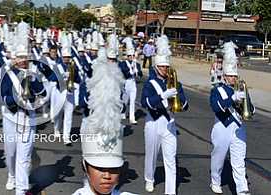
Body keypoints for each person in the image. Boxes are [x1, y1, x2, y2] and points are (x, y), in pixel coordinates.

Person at [73, 45, 136, 195]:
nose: (107, 176)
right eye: (101, 168)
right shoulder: (87, 83)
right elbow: (82, 103)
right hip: (90, 121)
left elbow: (119, 105)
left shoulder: (113, 84)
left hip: (111, 122)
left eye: (113, 169)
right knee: (90, 150)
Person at [0, 21, 47, 195]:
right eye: (19, 58)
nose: (22, 61)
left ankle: (21, 190)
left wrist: (34, 82)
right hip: (11, 117)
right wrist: (17, 99)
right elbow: (4, 96)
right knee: (11, 153)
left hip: (28, 117)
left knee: (24, 157)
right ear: (15, 58)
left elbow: (43, 94)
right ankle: (11, 175)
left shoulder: (33, 72)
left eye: (24, 58)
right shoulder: (7, 73)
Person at [141, 35, 189, 195]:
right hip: (153, 122)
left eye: (166, 67)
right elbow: (145, 103)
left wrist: (179, 100)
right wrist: (163, 96)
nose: (165, 70)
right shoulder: (150, 83)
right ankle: (149, 178)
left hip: (170, 123)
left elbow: (185, 104)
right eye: (161, 67)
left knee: (171, 158)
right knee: (152, 155)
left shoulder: (176, 82)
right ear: (156, 67)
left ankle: (170, 191)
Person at [209, 41, 253, 195]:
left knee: (239, 160)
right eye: (230, 76)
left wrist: (247, 102)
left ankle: (242, 189)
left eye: (235, 76)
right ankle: (215, 180)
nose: (233, 79)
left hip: (238, 128)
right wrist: (233, 98)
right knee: (218, 157)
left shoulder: (240, 89)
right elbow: (216, 107)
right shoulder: (217, 90)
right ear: (225, 76)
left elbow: (250, 109)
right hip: (222, 126)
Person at [119, 37, 142, 125]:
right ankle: (123, 112)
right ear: (127, 56)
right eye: (130, 56)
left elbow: (140, 75)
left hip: (133, 83)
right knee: (125, 100)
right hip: (126, 83)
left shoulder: (136, 64)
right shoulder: (123, 63)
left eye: (133, 56)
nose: (132, 57)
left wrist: (137, 71)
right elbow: (125, 73)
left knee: (132, 101)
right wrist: (132, 70)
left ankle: (132, 118)